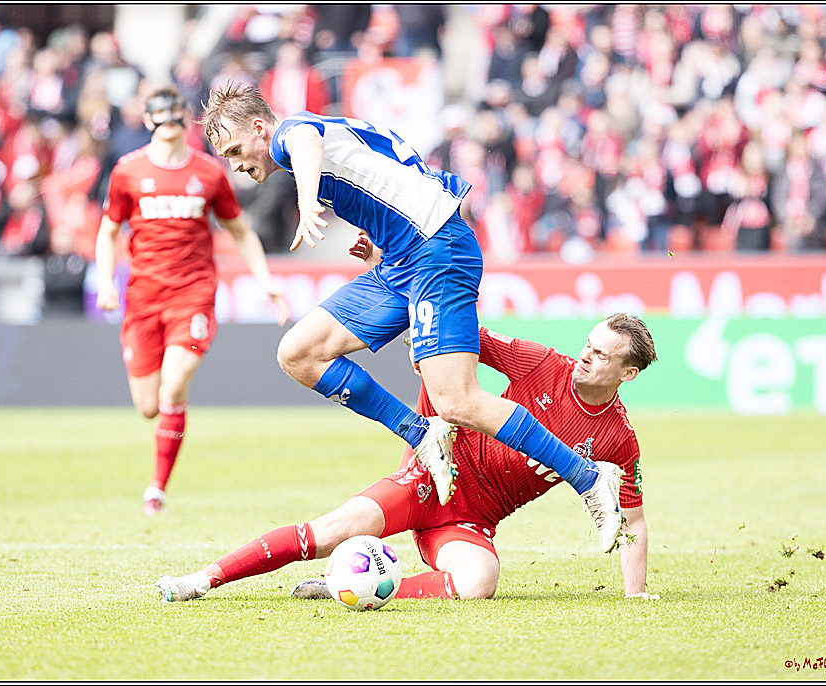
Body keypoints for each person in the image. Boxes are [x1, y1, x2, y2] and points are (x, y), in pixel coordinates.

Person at [199, 83, 625, 552]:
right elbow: (404, 167)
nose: (236, 164)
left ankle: (588, 478)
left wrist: (305, 202)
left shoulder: (292, 135)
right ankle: (421, 434)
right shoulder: (332, 131)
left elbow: (303, 142)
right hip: (402, 259)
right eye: (227, 156)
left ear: (260, 128)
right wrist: (379, 235)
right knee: (298, 354)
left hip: (435, 253)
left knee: (458, 401)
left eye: (236, 149)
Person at [156, 313, 659, 603]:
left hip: (469, 521)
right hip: (431, 474)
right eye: (587, 345)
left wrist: (634, 595)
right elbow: (465, 340)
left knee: (480, 582)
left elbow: (632, 519)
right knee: (329, 532)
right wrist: (428, 352)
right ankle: (201, 581)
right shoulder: (543, 362)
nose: (584, 356)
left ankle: (350, 585)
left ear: (627, 374)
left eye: (600, 354)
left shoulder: (619, 437)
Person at [96, 86, 290, 516]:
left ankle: (157, 489)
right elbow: (109, 231)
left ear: (186, 116)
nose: (167, 118)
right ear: (147, 120)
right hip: (143, 298)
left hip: (193, 294)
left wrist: (266, 281)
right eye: (159, 112)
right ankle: (164, 447)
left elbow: (240, 231)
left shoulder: (208, 172)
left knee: (174, 383)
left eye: (174, 110)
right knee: (149, 406)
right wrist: (106, 282)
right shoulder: (127, 171)